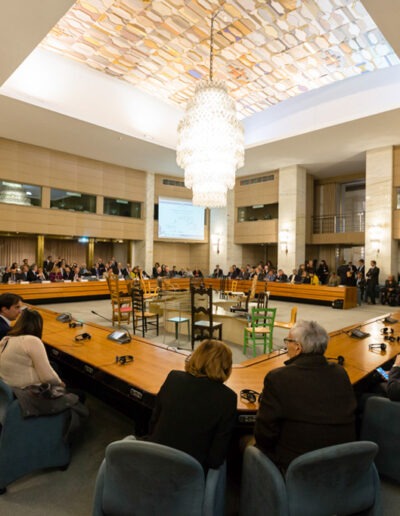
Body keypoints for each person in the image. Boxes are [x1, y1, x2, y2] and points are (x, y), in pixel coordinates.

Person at [254, 320, 356, 472]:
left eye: (287, 341)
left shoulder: (278, 378)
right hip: (341, 461)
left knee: (248, 444)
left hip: (299, 466)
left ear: (297, 347)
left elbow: (264, 435)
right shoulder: (340, 373)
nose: (286, 345)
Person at [145, 339, 237, 470]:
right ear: (226, 367)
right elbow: (215, 459)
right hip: (190, 475)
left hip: (153, 460)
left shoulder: (174, 378)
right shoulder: (228, 398)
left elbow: (154, 422)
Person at [0, 308, 63, 388]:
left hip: (11, 388)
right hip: (27, 392)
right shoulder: (32, 341)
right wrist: (60, 383)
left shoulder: (6, 339)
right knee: (79, 394)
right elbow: (48, 377)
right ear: (38, 325)